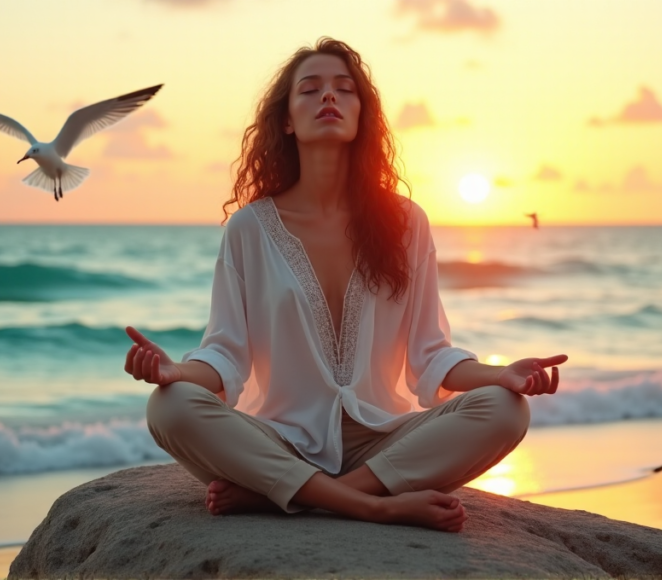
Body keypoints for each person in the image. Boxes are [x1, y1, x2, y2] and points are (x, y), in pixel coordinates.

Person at [124, 37, 566, 533]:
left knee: (506, 410)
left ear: (362, 115)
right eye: (310, 89)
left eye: (344, 89)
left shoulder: (406, 222)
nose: (329, 96)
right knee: (170, 407)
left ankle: (296, 496)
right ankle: (372, 505)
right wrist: (175, 371)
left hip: (385, 444)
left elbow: (430, 355)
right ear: (286, 121)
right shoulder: (249, 229)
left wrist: (501, 374)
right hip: (280, 443)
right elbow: (226, 355)